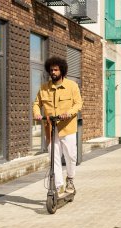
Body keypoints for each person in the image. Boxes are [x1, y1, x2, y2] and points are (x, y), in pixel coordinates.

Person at [33, 56, 83, 194]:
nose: (53, 72)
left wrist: (69, 113)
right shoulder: (44, 88)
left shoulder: (72, 86)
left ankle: (70, 179)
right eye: (51, 70)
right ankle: (58, 185)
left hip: (67, 128)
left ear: (62, 70)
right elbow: (37, 104)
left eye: (56, 69)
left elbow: (78, 104)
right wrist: (37, 113)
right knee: (54, 157)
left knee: (71, 156)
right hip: (50, 128)